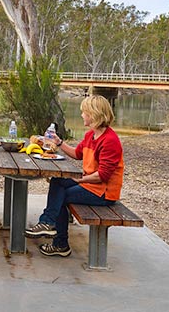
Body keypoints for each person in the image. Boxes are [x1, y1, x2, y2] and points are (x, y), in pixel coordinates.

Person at [24, 94, 124, 257]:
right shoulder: (90, 135)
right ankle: (48, 225)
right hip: (91, 185)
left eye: (84, 112)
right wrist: (59, 142)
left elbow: (103, 175)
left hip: (103, 192)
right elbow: (78, 154)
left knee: (61, 197)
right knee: (58, 182)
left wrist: (80, 179)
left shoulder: (110, 140)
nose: (82, 115)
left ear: (94, 114)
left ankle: (59, 241)